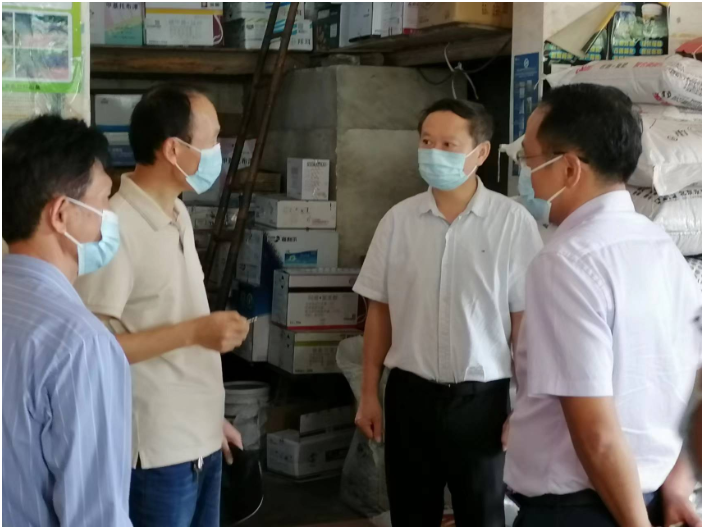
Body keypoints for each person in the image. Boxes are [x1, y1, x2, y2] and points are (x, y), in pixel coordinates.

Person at [505, 83, 702, 527]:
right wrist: (677, 482)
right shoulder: (661, 248)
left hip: (583, 510)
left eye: (529, 160)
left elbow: (595, 433)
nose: (526, 176)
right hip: (648, 497)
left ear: (568, 168)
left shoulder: (565, 262)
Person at [353, 99, 543, 527]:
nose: (433, 153)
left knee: (482, 514)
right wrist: (369, 394)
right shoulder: (397, 221)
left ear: (481, 152)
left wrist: (525, 406)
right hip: (409, 397)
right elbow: (379, 313)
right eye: (426, 142)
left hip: (483, 402)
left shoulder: (512, 223)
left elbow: (525, 325)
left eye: (448, 144)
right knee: (410, 514)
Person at [74, 84, 250, 527]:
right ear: (174, 149)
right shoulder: (115, 230)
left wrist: (210, 420)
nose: (218, 151)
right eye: (212, 139)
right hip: (156, 456)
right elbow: (95, 350)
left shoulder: (178, 213)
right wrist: (194, 333)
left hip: (200, 440)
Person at [2, 115, 131, 526]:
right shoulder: (79, 343)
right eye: (104, 200)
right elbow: (96, 517)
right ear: (61, 214)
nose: (109, 216)